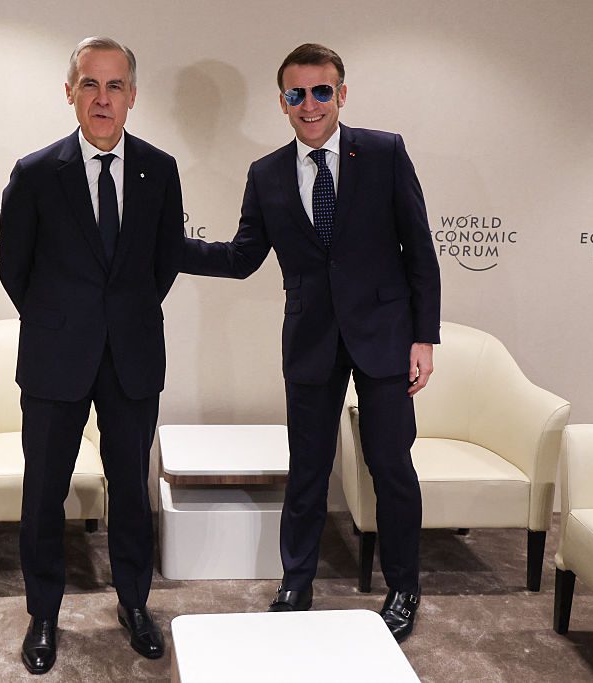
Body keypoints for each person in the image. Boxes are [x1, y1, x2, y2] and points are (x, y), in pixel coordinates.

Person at [181, 43, 440, 642]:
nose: (310, 104)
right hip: (311, 341)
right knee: (307, 470)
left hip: (384, 336)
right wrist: (169, 246)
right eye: (296, 94)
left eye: (322, 91)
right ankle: (295, 582)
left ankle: (404, 587)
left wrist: (424, 337)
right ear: (282, 102)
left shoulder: (384, 152)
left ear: (341, 94)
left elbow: (419, 250)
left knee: (391, 467)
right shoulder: (266, 173)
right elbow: (243, 257)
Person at [0, 36, 184, 674]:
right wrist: (64, 321)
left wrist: (120, 315)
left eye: (115, 86)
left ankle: (134, 603)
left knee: (131, 488)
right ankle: (43, 614)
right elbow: (15, 269)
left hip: (132, 355)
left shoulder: (159, 170)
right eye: (90, 84)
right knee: (43, 492)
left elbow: (164, 262)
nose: (102, 99)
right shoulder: (34, 174)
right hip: (55, 357)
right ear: (70, 91)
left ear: (132, 95)